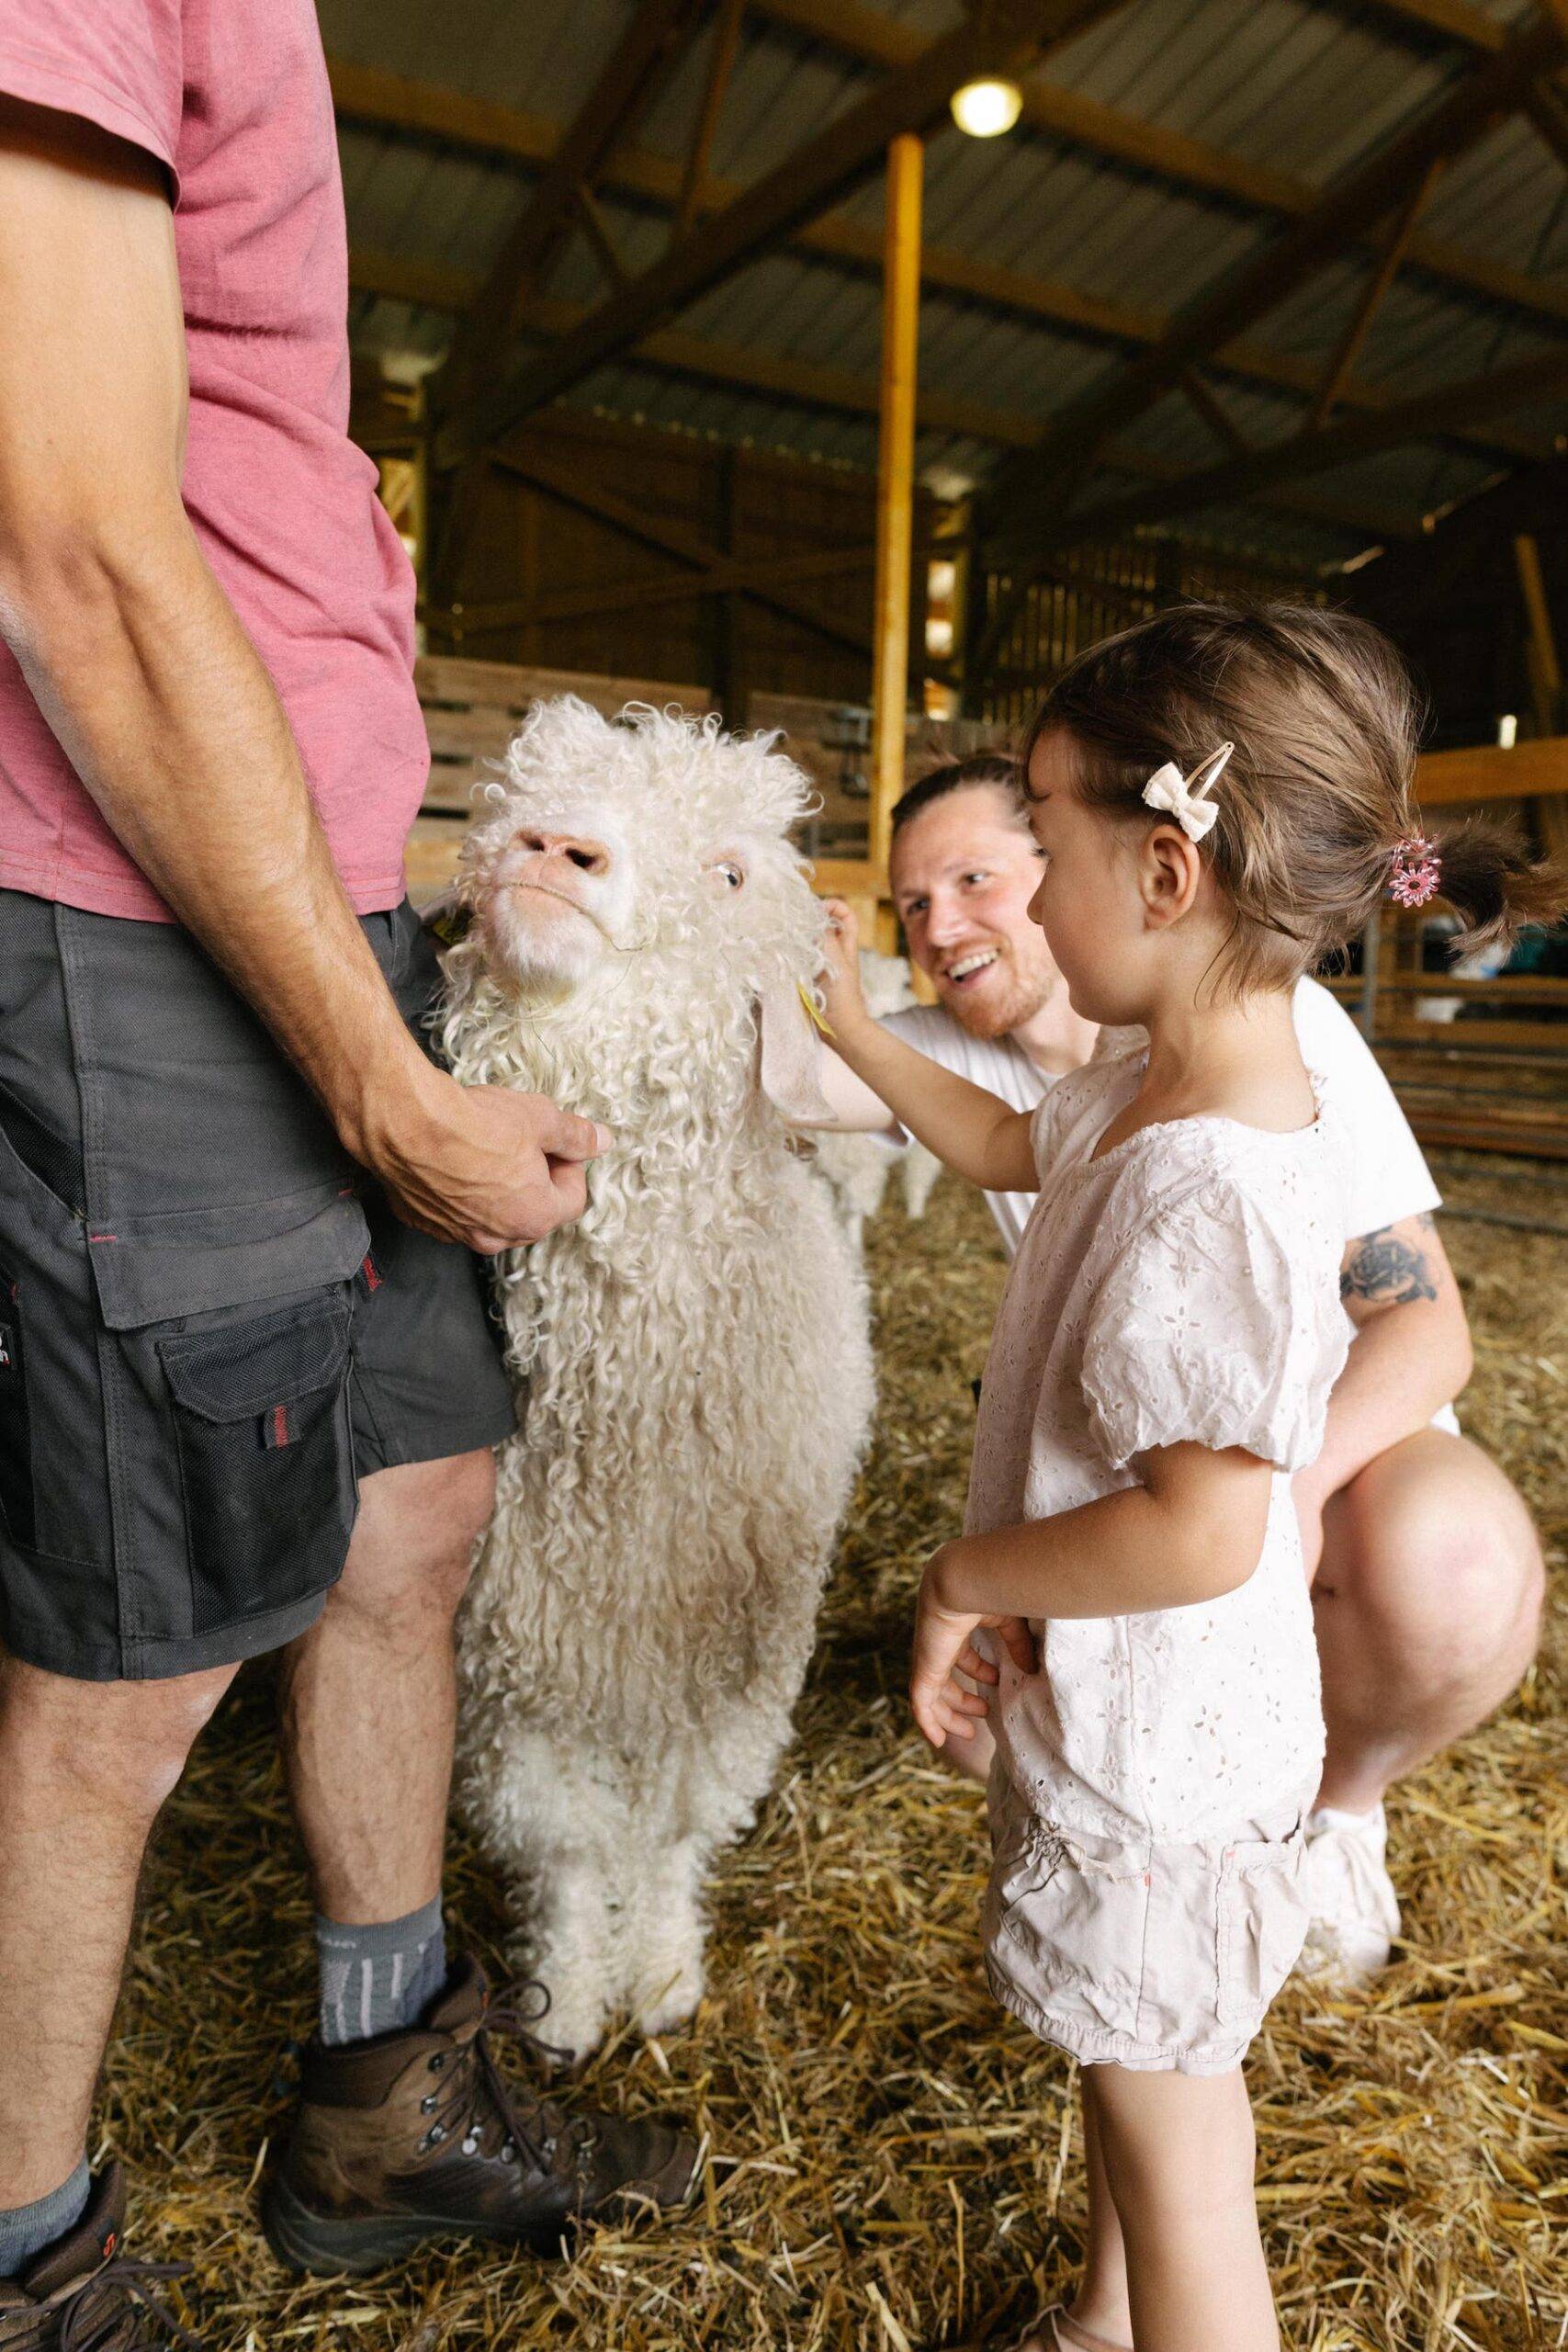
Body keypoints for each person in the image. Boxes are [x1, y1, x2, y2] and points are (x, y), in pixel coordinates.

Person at [0, 6, 693, 2330]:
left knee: (414, 1497)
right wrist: (383, 1090)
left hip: (305, 899)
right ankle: (26, 2246)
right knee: (130, 1661)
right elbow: (73, 542)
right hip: (130, 906)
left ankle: (381, 2090)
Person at [817, 602, 1562, 2352]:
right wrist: (854, 1032)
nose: (1014, 908)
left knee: (1189, 2168)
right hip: (1130, 1738)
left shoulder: (1204, 1190)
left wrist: (962, 1577)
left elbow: (1206, 1528)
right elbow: (1005, 1134)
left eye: (1045, 854)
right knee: (1140, 2080)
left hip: (1161, 1769)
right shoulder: (1149, 1093)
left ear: (1165, 874)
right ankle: (1101, 2322)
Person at [811, 751, 1544, 1982]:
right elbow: (969, 1130)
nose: (942, 928)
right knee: (1049, 1781)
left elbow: (1426, 1327)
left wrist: (1284, 1503)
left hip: (1284, 1469)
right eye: (913, 907)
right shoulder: (1053, 1081)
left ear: (1110, 870)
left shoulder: (1258, 1054)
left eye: (985, 875)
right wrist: (823, 998)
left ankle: (1337, 1809)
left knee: (1444, 1561)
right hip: (1139, 1478)